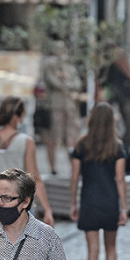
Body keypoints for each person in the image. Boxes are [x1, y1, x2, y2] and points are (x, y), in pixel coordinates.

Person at [69, 102, 129, 260]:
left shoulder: (81, 145)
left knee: (92, 252)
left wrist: (73, 203)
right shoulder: (117, 146)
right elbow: (120, 179)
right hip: (110, 200)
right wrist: (123, 208)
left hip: (89, 201)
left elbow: (75, 178)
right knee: (111, 248)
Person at [0, 97, 54, 225]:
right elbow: (35, 179)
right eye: (23, 115)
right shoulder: (26, 141)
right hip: (19, 205)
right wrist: (47, 209)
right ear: (16, 116)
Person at [41, 41, 83, 175]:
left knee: (72, 138)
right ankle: (53, 168)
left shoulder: (69, 68)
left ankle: (74, 168)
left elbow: (77, 83)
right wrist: (65, 84)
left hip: (70, 107)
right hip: (55, 106)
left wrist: (67, 81)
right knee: (54, 137)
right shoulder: (49, 65)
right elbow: (53, 81)